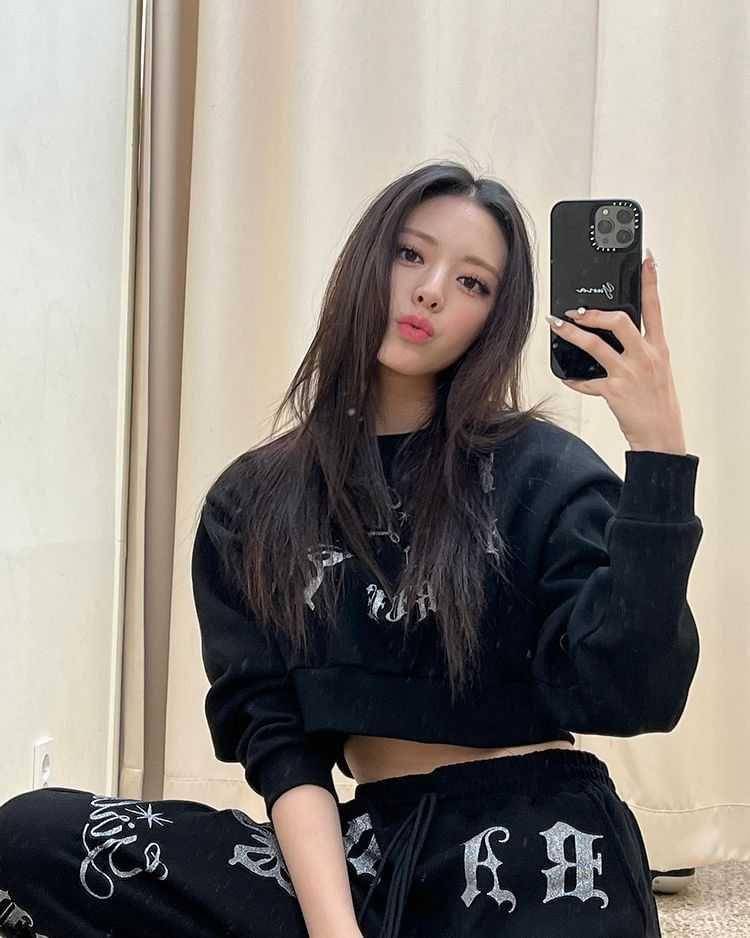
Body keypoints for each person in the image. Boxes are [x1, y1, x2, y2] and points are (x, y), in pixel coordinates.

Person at [0, 161, 702, 938]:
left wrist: (659, 456)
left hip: (535, 849)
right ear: (367, 259)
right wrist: (335, 929)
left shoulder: (544, 471)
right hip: (361, 851)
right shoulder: (254, 501)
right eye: (411, 254)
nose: (430, 291)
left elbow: (639, 692)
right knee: (35, 835)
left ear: (494, 320)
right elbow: (282, 748)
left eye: (472, 283)